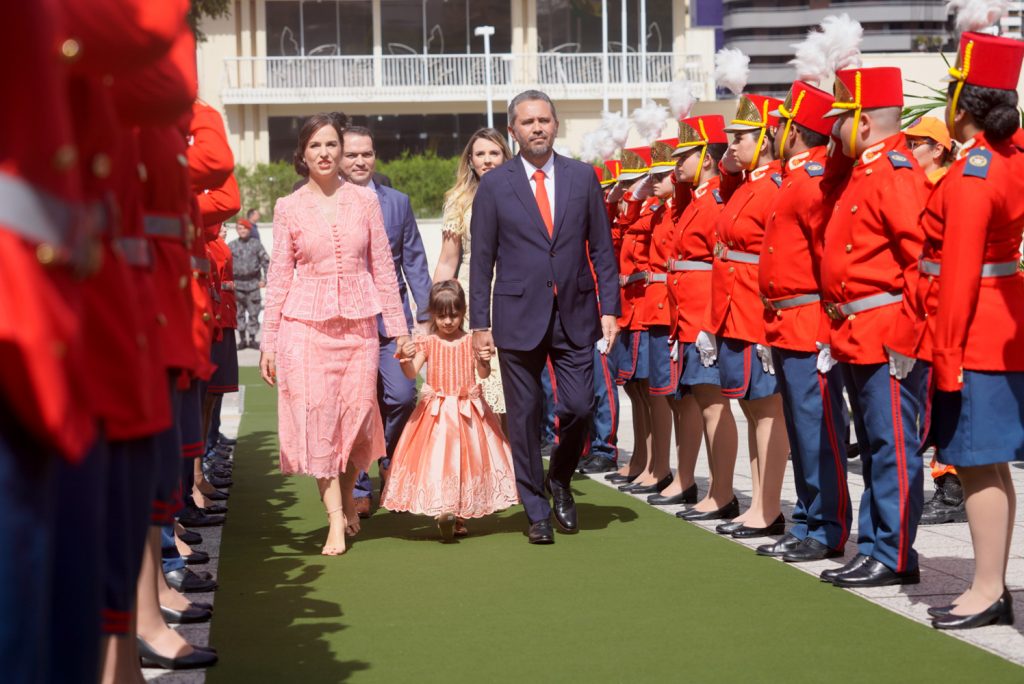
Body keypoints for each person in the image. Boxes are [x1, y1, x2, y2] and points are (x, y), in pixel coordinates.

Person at [905, 29, 1023, 629]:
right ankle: (991, 584)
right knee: (990, 462)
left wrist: (945, 355)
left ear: (967, 103)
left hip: (973, 333)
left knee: (977, 462)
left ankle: (985, 588)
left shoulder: (976, 170)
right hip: (989, 324)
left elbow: (958, 276)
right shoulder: (1001, 158)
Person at [469, 90, 620, 544]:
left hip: (575, 311)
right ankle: (535, 510)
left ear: (556, 125)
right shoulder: (496, 184)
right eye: (527, 122)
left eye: (544, 120)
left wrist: (610, 308)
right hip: (516, 314)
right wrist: (480, 325)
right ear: (512, 130)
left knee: (577, 407)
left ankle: (560, 479)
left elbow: (603, 249)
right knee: (524, 415)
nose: (537, 128)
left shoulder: (582, 177)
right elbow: (482, 261)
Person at [260, 114, 409, 556]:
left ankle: (348, 495)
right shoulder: (288, 208)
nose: (325, 153)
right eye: (315, 146)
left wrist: (399, 332)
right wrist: (268, 342)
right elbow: (280, 276)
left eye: (331, 145)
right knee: (320, 421)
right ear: (302, 155)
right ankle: (334, 521)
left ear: (342, 153)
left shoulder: (365, 202)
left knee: (358, 418)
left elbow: (383, 269)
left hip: (360, 328)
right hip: (303, 329)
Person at [817, 66, 931, 588]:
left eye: (841, 118)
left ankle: (895, 553)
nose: (833, 128)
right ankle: (876, 544)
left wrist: (909, 337)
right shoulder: (863, 169)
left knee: (891, 447)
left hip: (889, 333)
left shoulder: (897, 172)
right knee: (874, 445)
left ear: (863, 121)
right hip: (858, 332)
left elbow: (920, 264)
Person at [755, 81, 852, 562]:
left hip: (809, 319)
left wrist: (830, 326)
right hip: (785, 321)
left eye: (779, 125)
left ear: (796, 130)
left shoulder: (811, 177)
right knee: (801, 429)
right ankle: (809, 518)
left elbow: (828, 255)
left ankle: (828, 527)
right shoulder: (793, 176)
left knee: (819, 431)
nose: (771, 133)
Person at [698, 92, 792, 539]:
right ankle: (759, 502)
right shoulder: (745, 185)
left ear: (769, 137)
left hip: (757, 308)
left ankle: (768, 505)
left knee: (768, 409)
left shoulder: (774, 186)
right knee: (753, 409)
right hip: (734, 309)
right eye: (731, 138)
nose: (731, 146)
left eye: (742, 137)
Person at [338, 125, 433, 518]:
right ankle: (359, 484)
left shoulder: (397, 202)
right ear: (340, 160)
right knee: (358, 405)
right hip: (346, 323)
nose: (360, 161)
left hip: (392, 323)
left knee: (402, 397)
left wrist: (426, 317)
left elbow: (413, 260)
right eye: (352, 155)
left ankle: (390, 459)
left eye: (367, 154)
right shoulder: (328, 202)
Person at [381, 281, 518, 540]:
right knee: (439, 462)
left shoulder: (470, 341)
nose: (447, 321)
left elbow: (482, 374)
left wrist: (484, 361)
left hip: (468, 411)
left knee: (467, 461)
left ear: (463, 312)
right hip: (437, 414)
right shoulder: (428, 343)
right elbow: (411, 373)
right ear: (433, 314)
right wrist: (404, 359)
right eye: (442, 315)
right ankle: (444, 510)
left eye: (453, 314)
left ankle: (459, 515)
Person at [666, 115, 742, 521]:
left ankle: (723, 491)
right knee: (703, 402)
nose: (677, 165)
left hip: (705, 315)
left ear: (707, 159)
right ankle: (716, 490)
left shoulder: (716, 200)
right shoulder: (696, 198)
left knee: (714, 406)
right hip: (688, 314)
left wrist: (711, 322)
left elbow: (718, 264)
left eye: (686, 156)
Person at [902, 115, 964, 526]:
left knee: (947, 402)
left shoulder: (948, 186)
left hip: (944, 311)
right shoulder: (922, 186)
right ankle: (948, 486)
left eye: (916, 143)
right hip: (924, 310)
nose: (907, 150)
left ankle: (953, 491)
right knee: (933, 402)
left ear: (938, 148)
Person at [434, 128, 513, 420]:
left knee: (510, 386)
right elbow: (447, 259)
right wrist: (436, 307)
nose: (488, 160)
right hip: (470, 297)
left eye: (494, 153)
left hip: (511, 293)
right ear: (470, 160)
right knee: (474, 385)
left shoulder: (521, 192)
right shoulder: (458, 199)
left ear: (506, 156)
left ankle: (511, 460)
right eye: (480, 154)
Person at [230, 220, 270, 350]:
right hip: (237, 285)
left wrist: (266, 279)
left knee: (254, 313)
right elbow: (226, 265)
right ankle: (242, 340)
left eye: (244, 228)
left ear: (249, 230)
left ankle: (252, 339)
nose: (242, 231)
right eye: (239, 228)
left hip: (253, 284)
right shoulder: (232, 246)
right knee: (238, 313)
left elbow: (266, 261)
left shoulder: (256, 245)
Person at [904, 116, 953, 185]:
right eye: (905, 145)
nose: (906, 151)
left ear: (937, 150)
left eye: (914, 144)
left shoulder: (942, 187)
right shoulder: (911, 183)